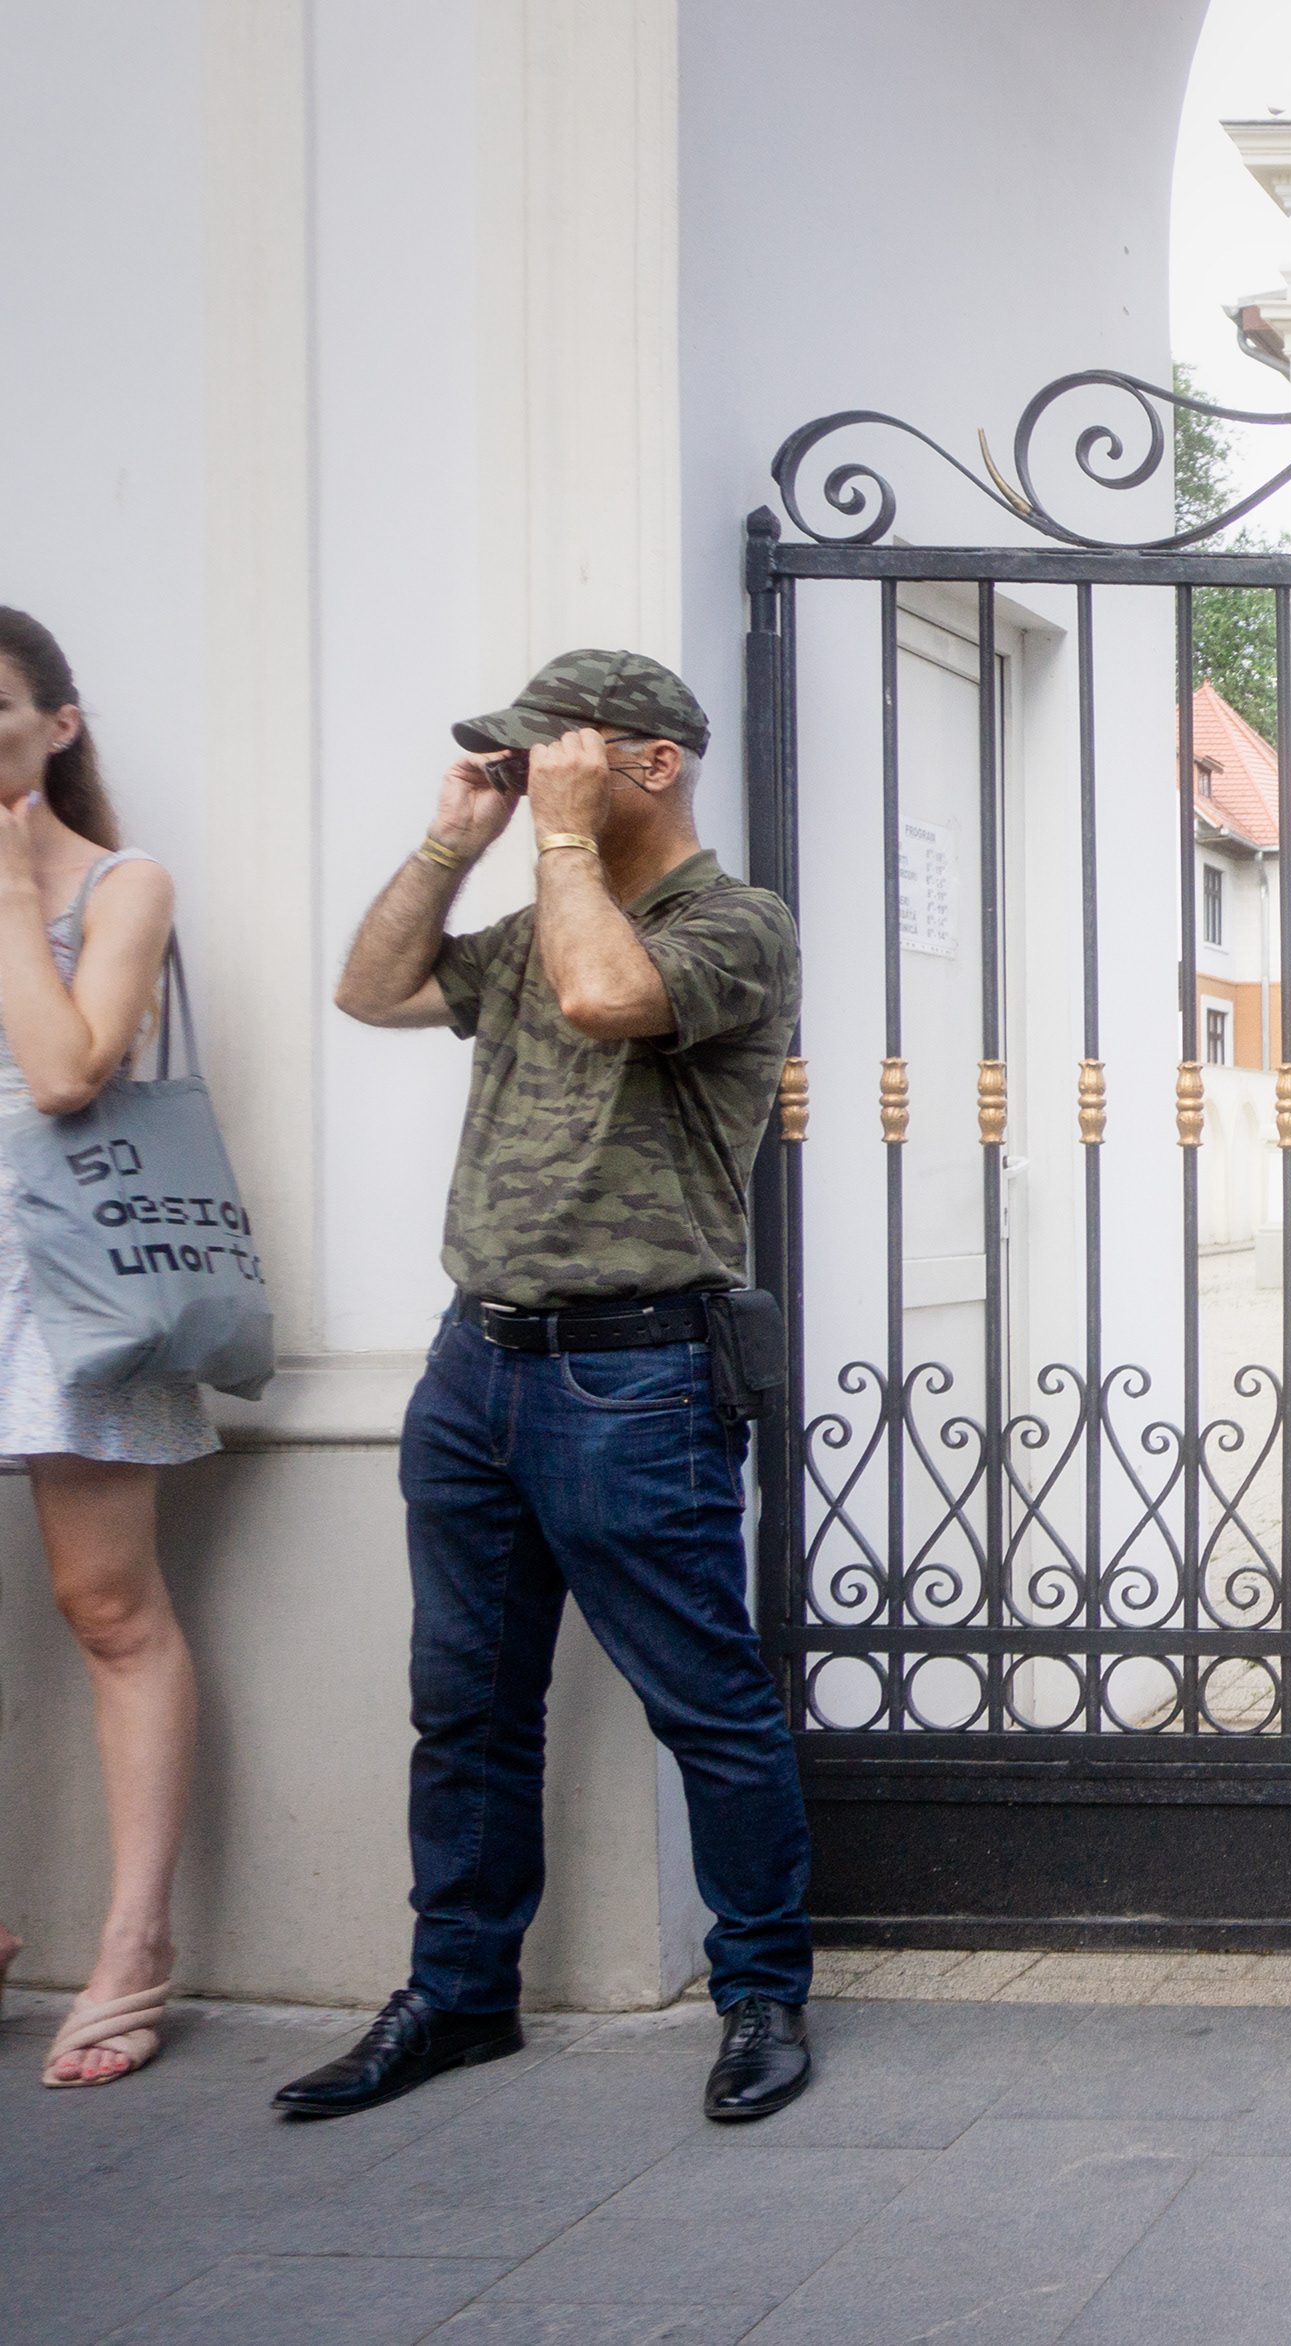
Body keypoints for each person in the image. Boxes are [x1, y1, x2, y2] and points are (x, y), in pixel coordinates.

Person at [277, 650, 814, 2124]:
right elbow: (372, 987)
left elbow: (602, 994)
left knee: (706, 1702)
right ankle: (460, 1996)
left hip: (635, 1377)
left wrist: (563, 840)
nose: (529, 783)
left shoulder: (735, 925)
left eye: (552, 754)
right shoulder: (527, 919)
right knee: (465, 1708)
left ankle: (761, 1989)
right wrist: (451, 843)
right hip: (476, 1369)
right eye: (521, 762)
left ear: (652, 762)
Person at [0, 612, 215, 2088]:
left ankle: (135, 1946)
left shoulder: (119, 884)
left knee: (108, 1607)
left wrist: (14, 897)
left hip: (77, 1274)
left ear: (58, 723)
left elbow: (71, 1069)